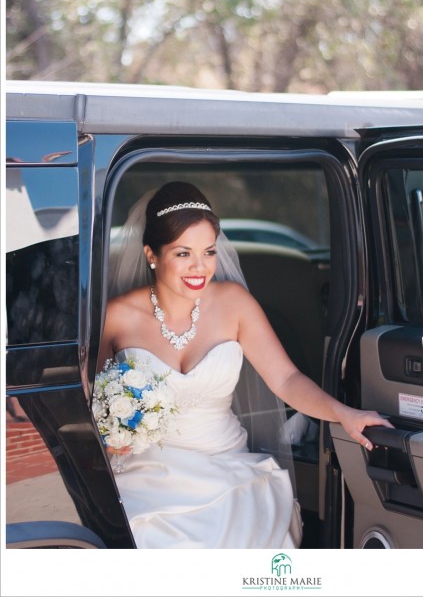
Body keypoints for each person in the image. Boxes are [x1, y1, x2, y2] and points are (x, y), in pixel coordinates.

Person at [97, 181, 392, 549]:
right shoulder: (117, 318)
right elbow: (87, 401)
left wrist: (343, 413)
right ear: (151, 254)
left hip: (228, 469)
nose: (199, 268)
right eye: (183, 254)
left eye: (208, 252)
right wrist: (111, 437)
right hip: (147, 478)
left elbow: (285, 379)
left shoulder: (234, 304)